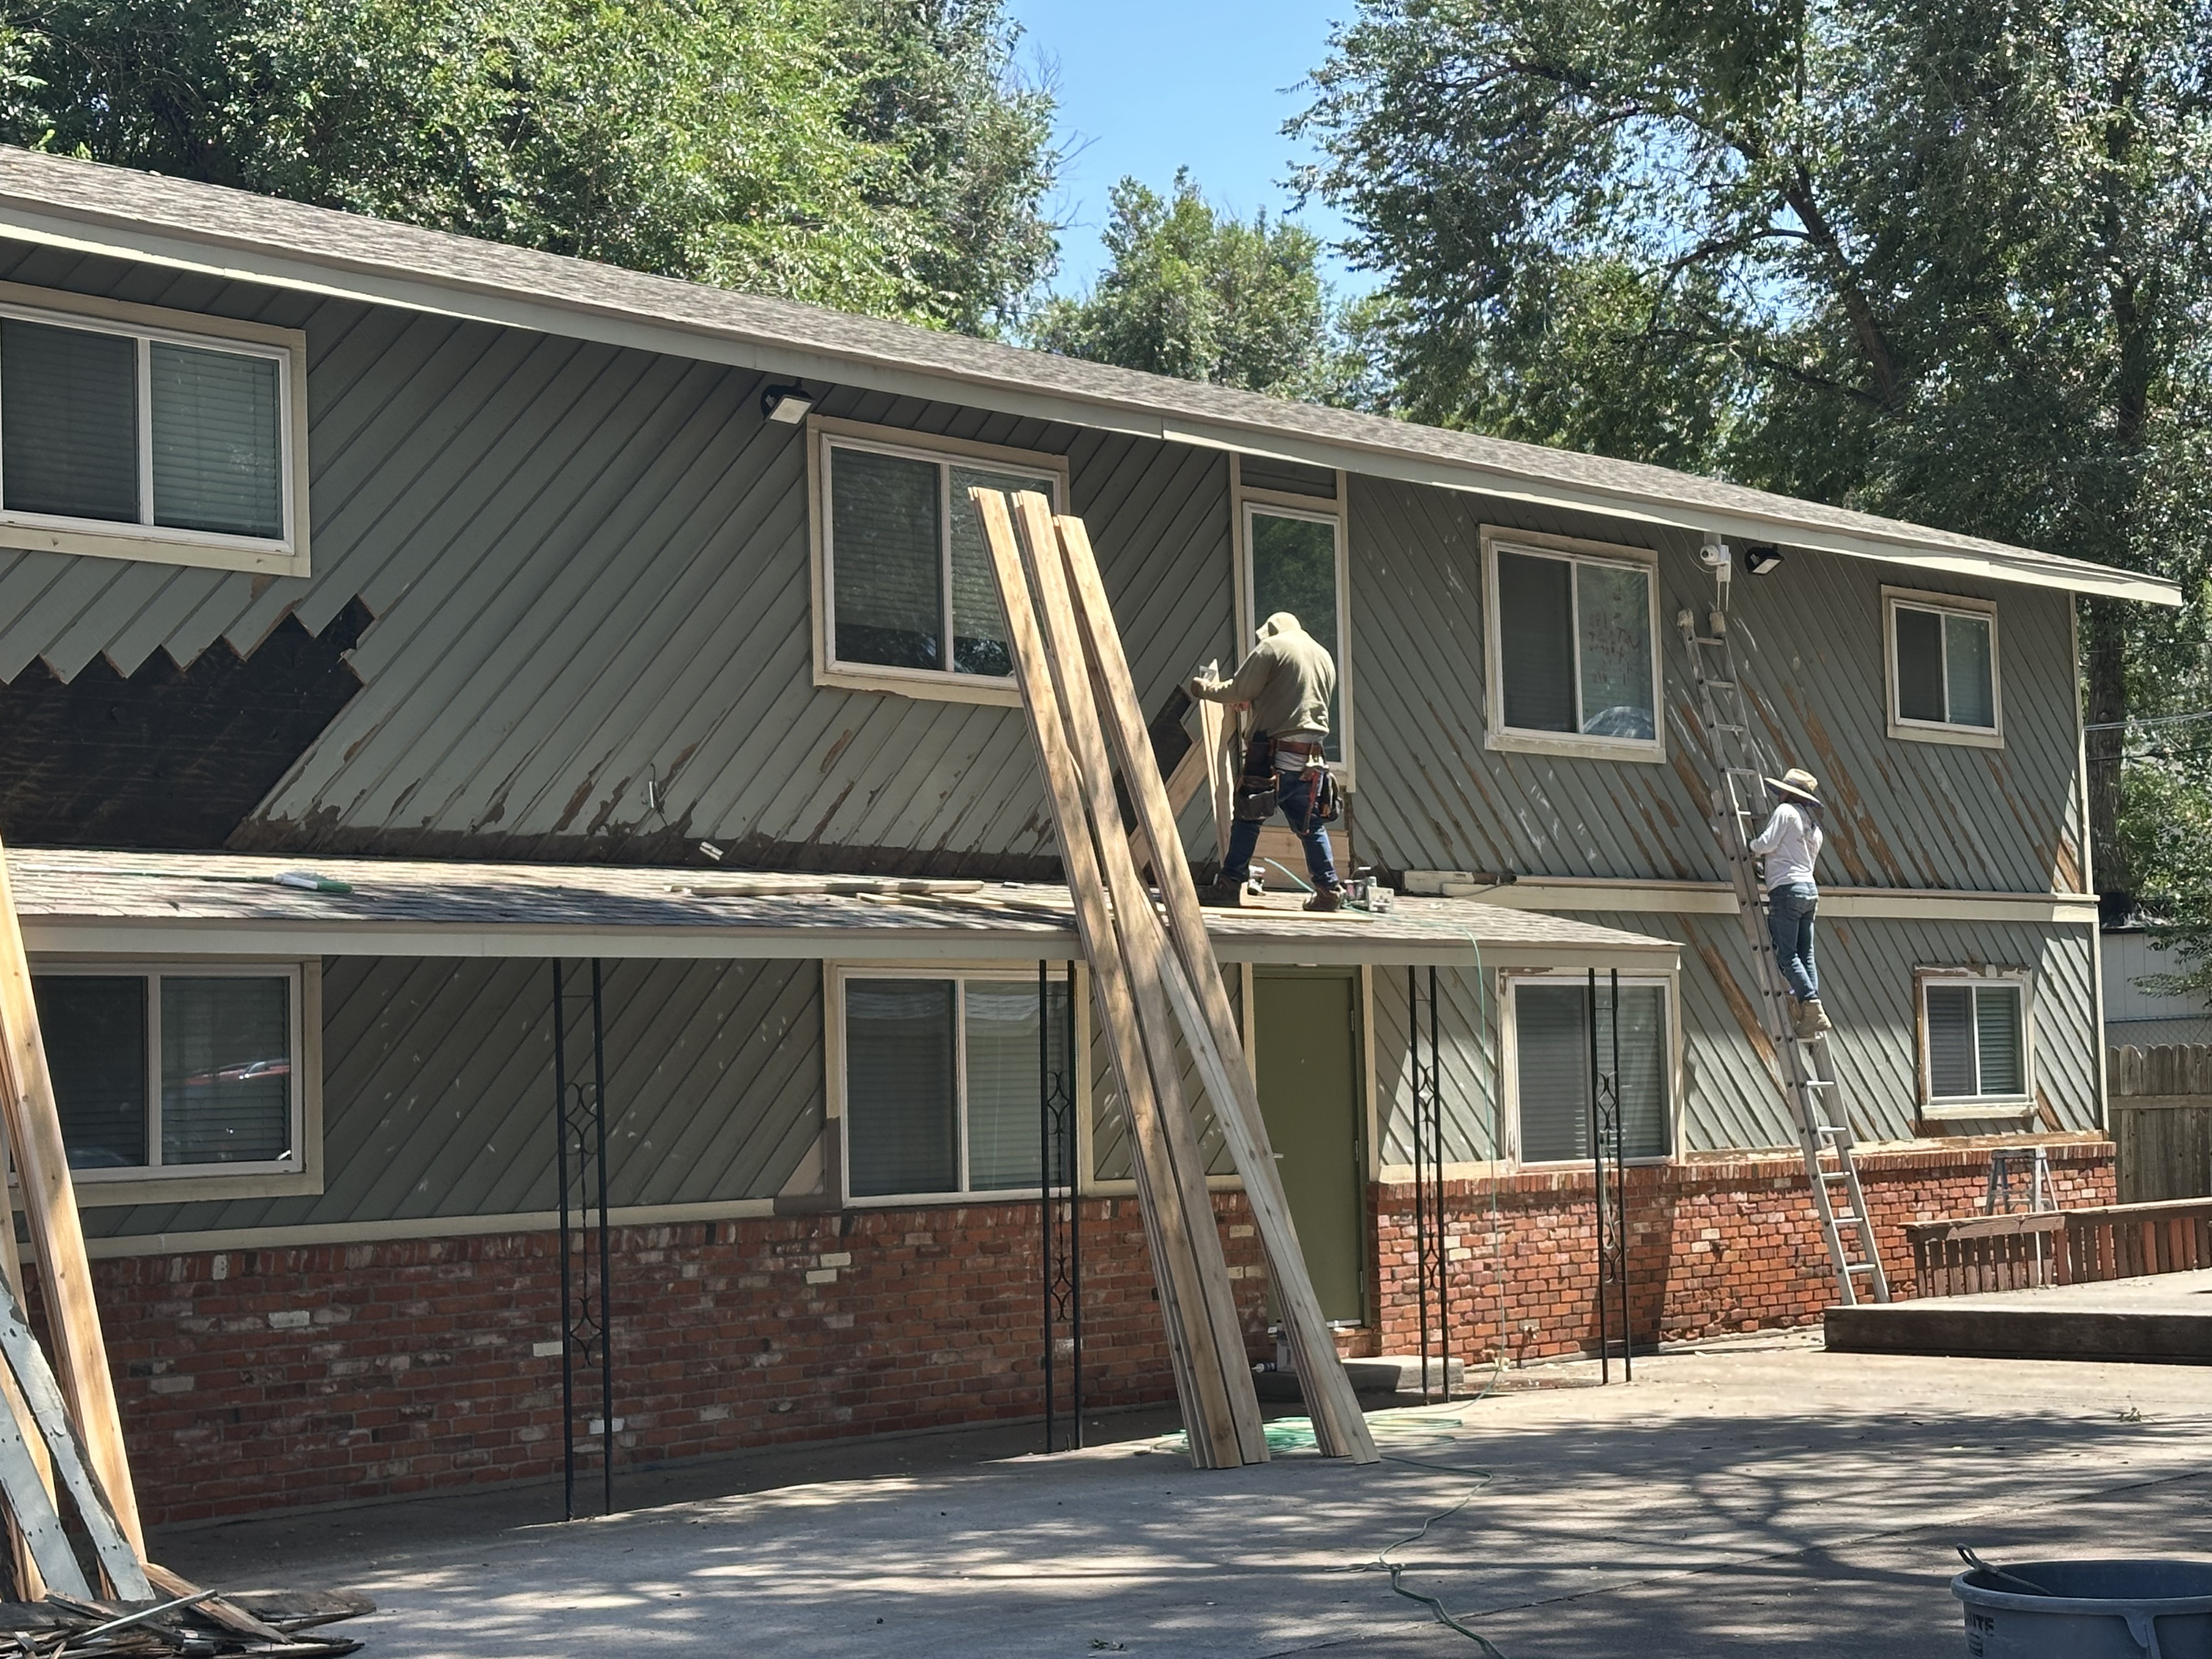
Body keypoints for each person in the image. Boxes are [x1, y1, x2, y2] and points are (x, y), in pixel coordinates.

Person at [1187, 612, 1346, 912]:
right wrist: (1256, 702)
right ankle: (1329, 890)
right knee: (1311, 825)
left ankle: (1229, 885)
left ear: (1271, 632)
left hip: (1274, 756)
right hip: (1312, 760)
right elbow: (1298, 700)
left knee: (1248, 819)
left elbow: (1238, 690)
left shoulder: (1271, 648)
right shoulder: (1322, 655)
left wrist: (1203, 690)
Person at [1752, 767, 1831, 1038]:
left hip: (1787, 891)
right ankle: (1811, 1007)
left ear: (1789, 792)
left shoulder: (1785, 813)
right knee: (1804, 953)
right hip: (1809, 891)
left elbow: (1767, 843)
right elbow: (1799, 859)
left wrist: (1750, 847)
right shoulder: (1813, 825)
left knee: (1787, 955)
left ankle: (1810, 1004)